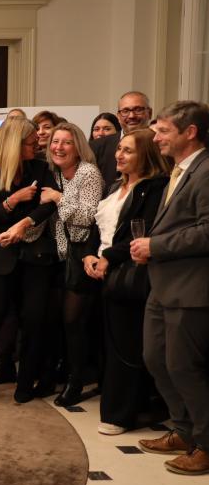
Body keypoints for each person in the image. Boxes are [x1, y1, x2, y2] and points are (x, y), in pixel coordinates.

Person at [130, 101, 209, 475]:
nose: (156, 137)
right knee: (156, 360)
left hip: (191, 289)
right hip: (163, 286)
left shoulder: (206, 171)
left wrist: (156, 246)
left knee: (184, 368)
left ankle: (205, 445)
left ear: (189, 132)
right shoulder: (178, 170)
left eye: (163, 130)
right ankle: (183, 430)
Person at [0, 117, 59, 403]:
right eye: (31, 143)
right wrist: (11, 201)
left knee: (33, 319)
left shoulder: (40, 168)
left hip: (34, 255)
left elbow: (48, 206)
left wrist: (24, 223)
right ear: (15, 144)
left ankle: (25, 384)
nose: (36, 146)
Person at [82, 129, 167, 435]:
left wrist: (108, 257)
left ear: (146, 154)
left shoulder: (154, 188)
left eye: (128, 150)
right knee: (109, 344)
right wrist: (89, 255)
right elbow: (99, 227)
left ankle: (120, 415)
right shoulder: (115, 186)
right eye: (119, 149)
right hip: (103, 271)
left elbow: (141, 233)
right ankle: (123, 406)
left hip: (130, 274)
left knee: (127, 346)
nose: (119, 155)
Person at [40, 122, 103, 407]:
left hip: (83, 254)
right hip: (58, 256)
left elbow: (88, 216)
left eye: (66, 142)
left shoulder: (88, 172)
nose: (59, 147)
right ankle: (61, 372)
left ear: (78, 147)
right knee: (56, 321)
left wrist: (58, 198)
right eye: (55, 141)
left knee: (74, 321)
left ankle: (77, 381)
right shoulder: (52, 172)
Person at [91, 91, 153, 186]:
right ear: (118, 116)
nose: (132, 116)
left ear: (150, 113)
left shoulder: (160, 145)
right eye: (125, 111)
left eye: (138, 110)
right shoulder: (96, 147)